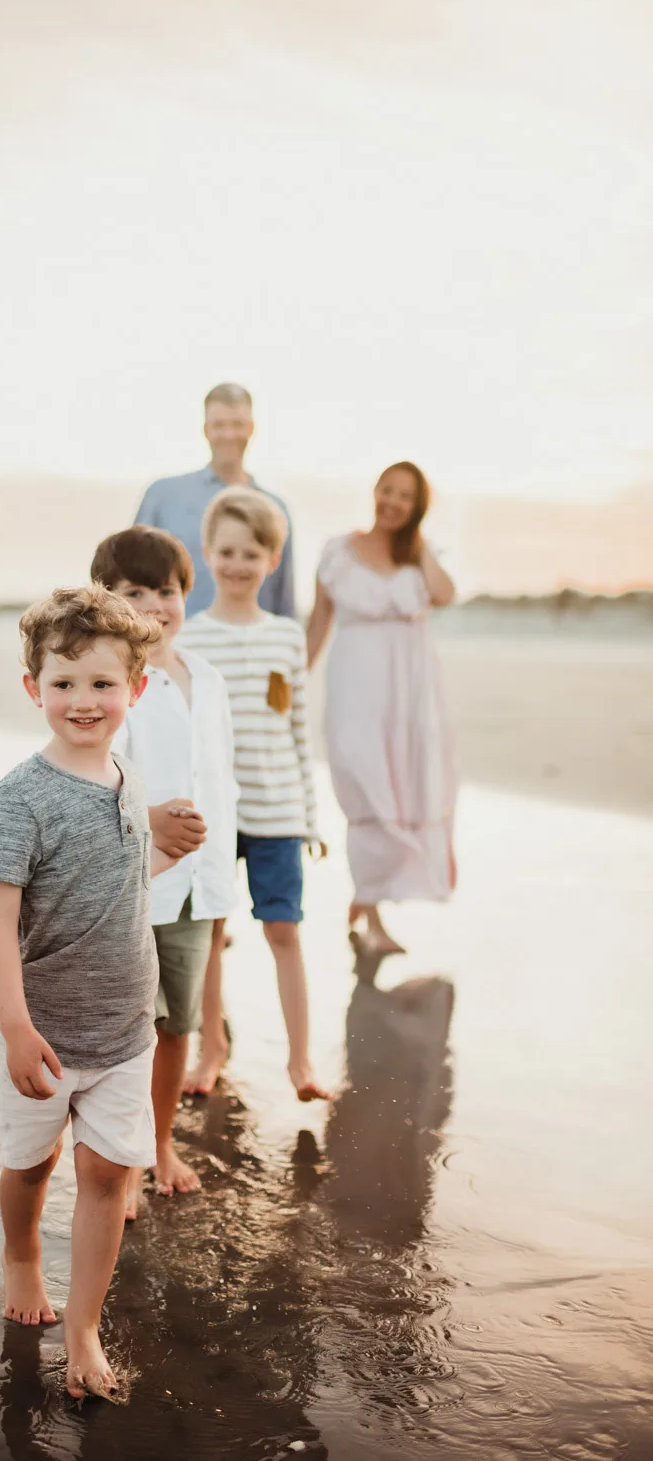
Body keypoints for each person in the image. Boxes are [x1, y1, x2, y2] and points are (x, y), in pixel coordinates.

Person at [0, 584, 181, 1400]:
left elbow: (119, 887)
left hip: (126, 1029)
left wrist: (162, 848)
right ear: (34, 690)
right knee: (33, 1163)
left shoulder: (127, 779)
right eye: (63, 683)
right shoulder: (20, 796)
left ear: (133, 689)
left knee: (106, 1177)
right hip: (45, 1028)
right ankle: (21, 1255)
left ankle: (87, 1326)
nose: (82, 701)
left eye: (101, 684)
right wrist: (15, 1026)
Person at [91, 524, 238, 1217]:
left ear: (187, 595)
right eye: (134, 592)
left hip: (198, 886)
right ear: (105, 599)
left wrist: (222, 883)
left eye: (168, 590)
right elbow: (95, 777)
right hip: (134, 883)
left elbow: (220, 780)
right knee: (131, 1030)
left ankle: (159, 1143)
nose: (154, 603)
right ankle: (117, 1165)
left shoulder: (205, 678)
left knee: (177, 1023)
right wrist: (148, 818)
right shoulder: (113, 681)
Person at [179, 487, 329, 1103]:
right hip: (213, 817)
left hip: (278, 814)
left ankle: (301, 1062)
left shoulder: (286, 639)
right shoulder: (186, 639)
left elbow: (295, 730)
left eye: (253, 552)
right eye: (227, 551)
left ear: (272, 560)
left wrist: (311, 817)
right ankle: (210, 1049)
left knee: (284, 932)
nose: (239, 563)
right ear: (208, 554)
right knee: (210, 934)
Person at [305, 461, 457, 960]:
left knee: (404, 785)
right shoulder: (338, 551)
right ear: (374, 490)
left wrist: (421, 544)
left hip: (412, 692)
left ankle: (368, 898)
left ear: (417, 507)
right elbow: (319, 623)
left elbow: (445, 595)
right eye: (387, 490)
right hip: (356, 686)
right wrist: (291, 680)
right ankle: (371, 909)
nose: (393, 502)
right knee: (365, 783)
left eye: (405, 497)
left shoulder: (416, 555)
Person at [134, 383, 296, 618]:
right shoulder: (162, 496)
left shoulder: (276, 509)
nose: (229, 434)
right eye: (219, 425)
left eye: (237, 424)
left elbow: (284, 601)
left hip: (253, 649)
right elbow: (129, 581)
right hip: (174, 645)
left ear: (251, 428)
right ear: (206, 429)